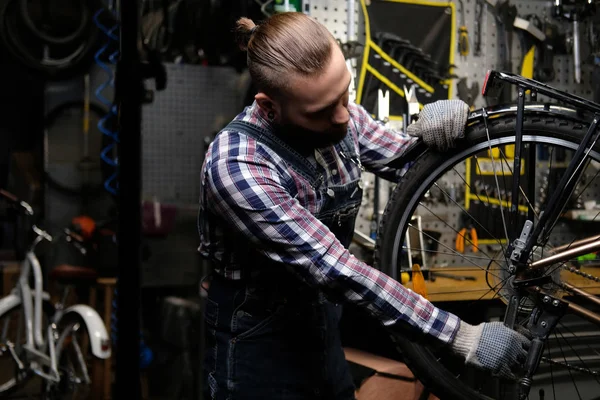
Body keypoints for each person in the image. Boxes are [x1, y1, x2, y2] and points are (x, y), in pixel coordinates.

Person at [197, 12, 530, 400]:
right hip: (257, 345)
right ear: (269, 107)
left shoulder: (340, 116)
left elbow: (406, 161)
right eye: (323, 111)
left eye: (345, 94)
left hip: (321, 330)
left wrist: (440, 131)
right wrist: (461, 337)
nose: (344, 117)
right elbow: (338, 270)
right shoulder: (236, 167)